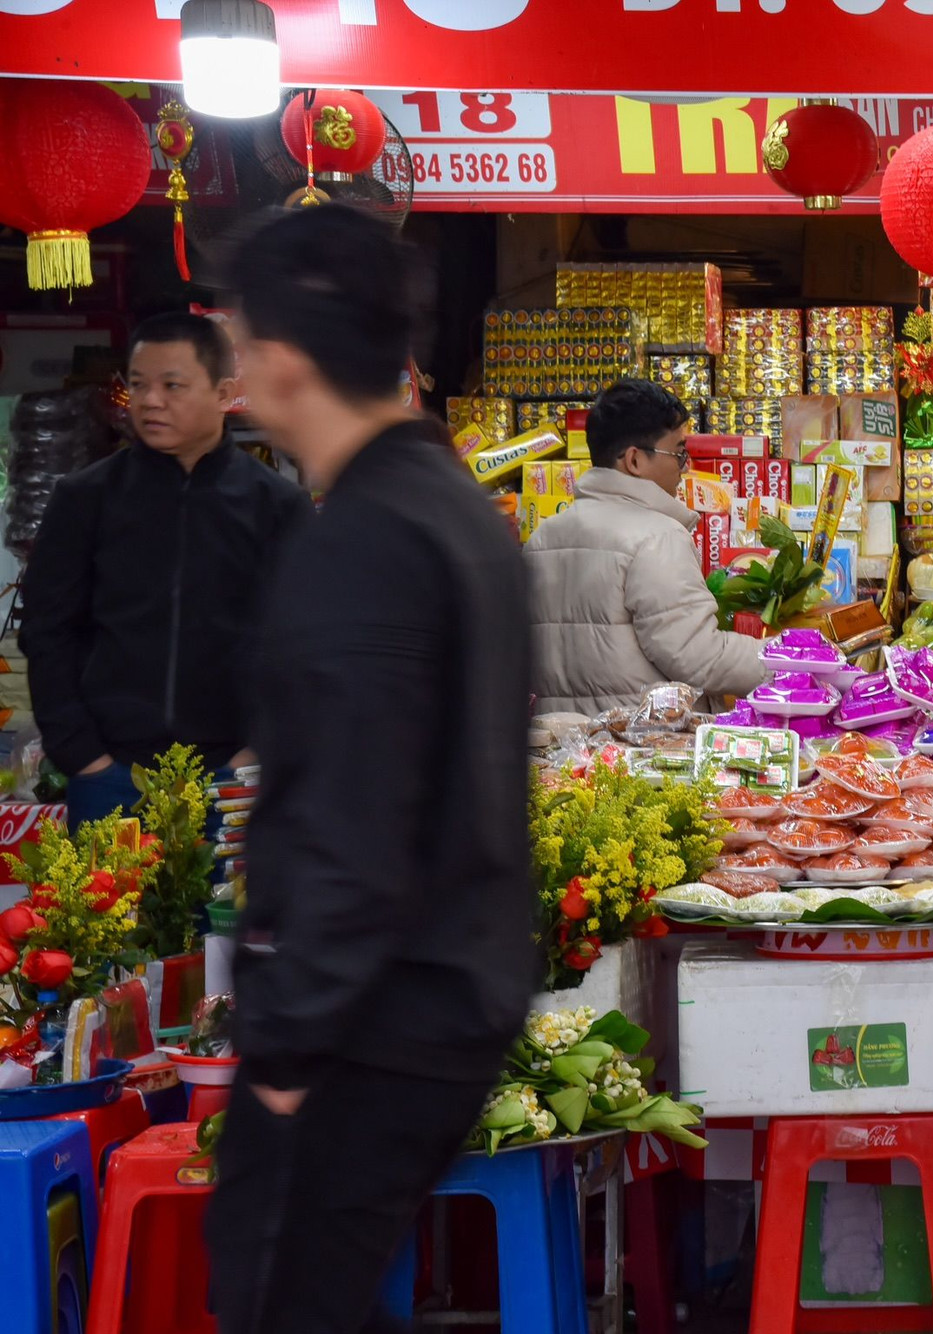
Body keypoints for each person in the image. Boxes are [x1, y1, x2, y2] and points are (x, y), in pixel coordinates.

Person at [205, 205, 537, 1334]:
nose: (235, 367)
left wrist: (288, 1040)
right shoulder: (452, 506)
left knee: (278, 1298)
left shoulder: (367, 536)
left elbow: (358, 812)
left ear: (283, 362)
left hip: (374, 1011)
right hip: (443, 988)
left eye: (240, 342)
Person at [20, 311, 312, 827]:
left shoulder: (277, 506)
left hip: (233, 777)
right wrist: (83, 755)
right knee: (104, 912)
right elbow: (47, 630)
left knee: (228, 912)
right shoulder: (84, 498)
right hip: (110, 775)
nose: (150, 401)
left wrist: (257, 750)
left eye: (172, 386)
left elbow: (301, 640)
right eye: (138, 385)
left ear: (224, 394)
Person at [525, 377, 768, 712]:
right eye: (679, 452)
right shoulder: (657, 537)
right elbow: (699, 656)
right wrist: (789, 660)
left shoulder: (541, 538)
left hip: (567, 756)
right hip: (643, 750)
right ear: (635, 461)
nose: (686, 466)